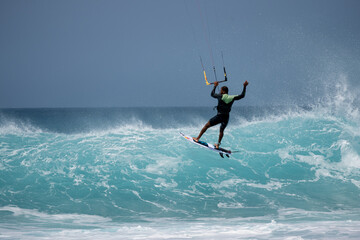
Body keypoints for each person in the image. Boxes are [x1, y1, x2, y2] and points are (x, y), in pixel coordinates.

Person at [193, 80, 249, 148]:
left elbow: (212, 94)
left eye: (221, 90)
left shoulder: (220, 96)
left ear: (223, 91)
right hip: (226, 117)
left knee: (206, 126)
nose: (220, 91)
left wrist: (215, 86)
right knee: (221, 130)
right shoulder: (232, 97)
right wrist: (244, 86)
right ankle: (218, 145)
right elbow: (242, 95)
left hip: (219, 116)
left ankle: (197, 138)